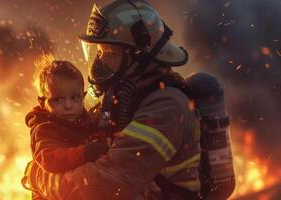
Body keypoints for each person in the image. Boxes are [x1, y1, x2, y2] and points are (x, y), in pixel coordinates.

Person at [26, 1, 202, 200]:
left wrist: (39, 178)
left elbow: (101, 187)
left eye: (110, 53)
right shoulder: (125, 96)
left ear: (138, 55)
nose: (99, 62)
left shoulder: (167, 107)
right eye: (99, 52)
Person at [22, 55, 109, 200]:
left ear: (83, 96)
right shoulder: (45, 129)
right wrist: (84, 153)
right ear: (42, 102)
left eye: (74, 98)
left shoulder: (84, 119)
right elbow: (49, 159)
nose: (68, 106)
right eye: (58, 99)